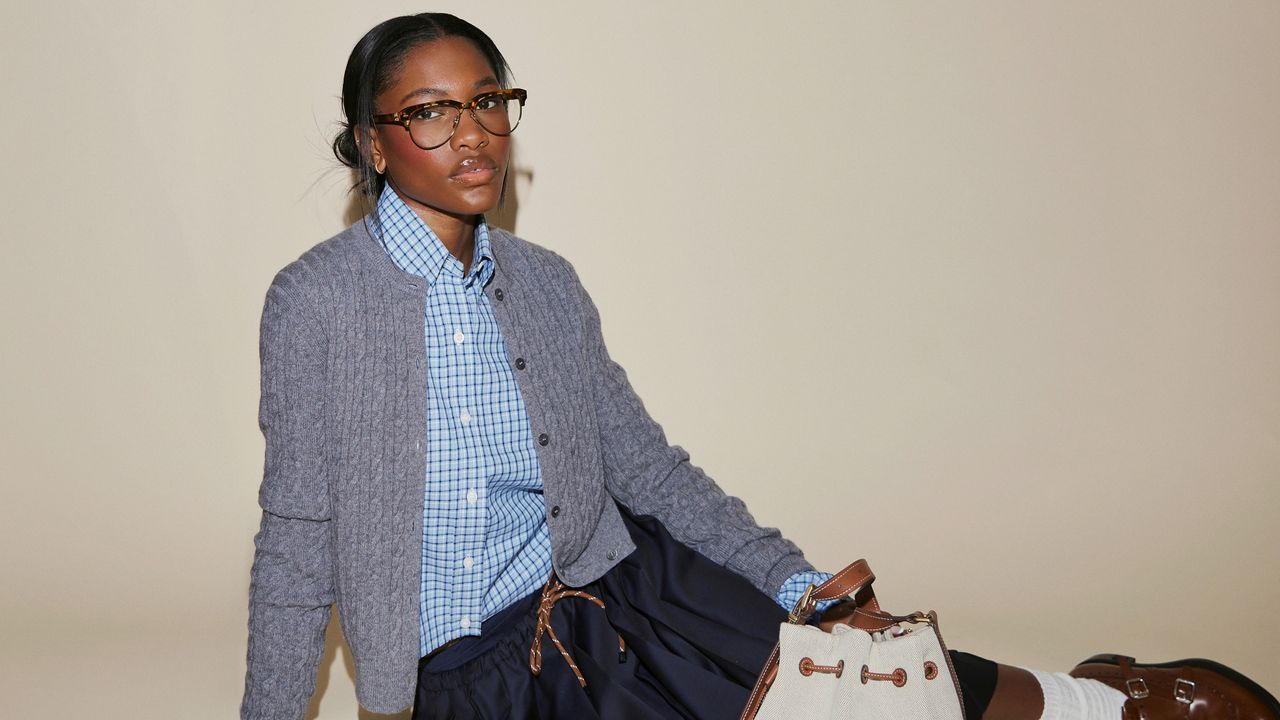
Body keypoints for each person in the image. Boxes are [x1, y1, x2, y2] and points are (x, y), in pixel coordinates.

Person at [240, 12, 1279, 720]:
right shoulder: (318, 302)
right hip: (471, 677)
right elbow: (297, 544)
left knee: (860, 690)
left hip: (624, 587)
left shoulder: (543, 283)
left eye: (486, 101)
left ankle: (1105, 702)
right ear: (373, 144)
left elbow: (644, 469)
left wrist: (796, 580)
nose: (469, 136)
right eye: (427, 111)